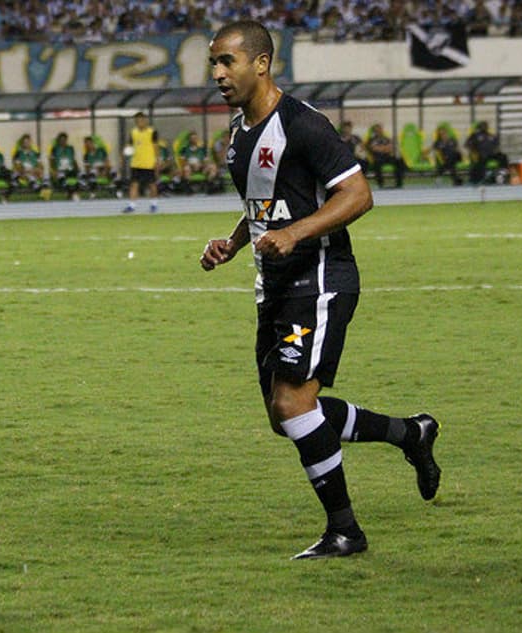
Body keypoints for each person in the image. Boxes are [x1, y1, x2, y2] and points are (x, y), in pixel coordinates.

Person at [199, 20, 441, 560]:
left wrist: (294, 233)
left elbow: (358, 195)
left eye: (226, 62)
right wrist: (236, 242)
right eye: (212, 64)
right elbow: (265, 206)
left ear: (260, 63)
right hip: (277, 284)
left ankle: (345, 532)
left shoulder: (303, 125)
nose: (217, 73)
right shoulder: (240, 132)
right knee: (285, 417)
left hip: (322, 277)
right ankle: (410, 434)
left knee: (293, 402)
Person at [123, 111, 159, 213]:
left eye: (141, 120)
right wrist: (125, 152)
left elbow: (156, 147)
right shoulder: (133, 132)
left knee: (152, 184)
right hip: (136, 163)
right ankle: (131, 206)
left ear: (145, 120)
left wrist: (157, 161)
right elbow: (129, 145)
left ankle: (154, 204)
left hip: (148, 163)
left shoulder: (152, 132)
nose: (139, 122)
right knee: (134, 184)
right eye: (137, 121)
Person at [365, 123, 405, 188]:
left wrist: (381, 148)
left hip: (388, 156)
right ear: (374, 131)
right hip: (378, 158)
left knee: (399, 161)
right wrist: (385, 148)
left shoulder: (386, 138)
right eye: (377, 130)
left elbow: (391, 147)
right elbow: (374, 149)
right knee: (376, 164)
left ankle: (399, 182)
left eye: (380, 129)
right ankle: (381, 183)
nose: (379, 131)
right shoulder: (371, 139)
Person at [49, 132, 80, 201]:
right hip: (60, 170)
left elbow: (74, 159)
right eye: (61, 140)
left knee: (75, 179)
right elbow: (52, 161)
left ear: (66, 140)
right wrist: (54, 170)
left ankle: (72, 194)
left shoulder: (71, 148)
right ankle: (72, 195)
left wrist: (77, 168)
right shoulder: (54, 149)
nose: (63, 141)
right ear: (58, 141)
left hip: (70, 169)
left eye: (64, 140)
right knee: (63, 180)